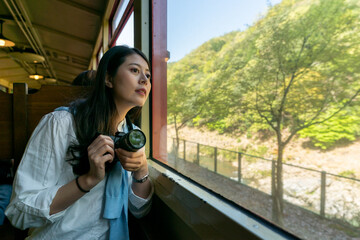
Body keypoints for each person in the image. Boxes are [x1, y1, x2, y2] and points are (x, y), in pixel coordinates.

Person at [5, 45, 153, 239]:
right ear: (108, 79)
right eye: (134, 70)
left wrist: (141, 171)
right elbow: (20, 211)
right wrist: (88, 180)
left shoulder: (134, 135)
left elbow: (138, 211)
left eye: (148, 75)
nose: (144, 80)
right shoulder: (61, 124)